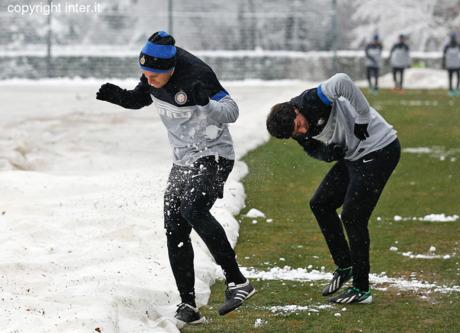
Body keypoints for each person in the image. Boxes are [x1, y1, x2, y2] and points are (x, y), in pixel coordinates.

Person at [95, 31, 255, 326]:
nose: (148, 80)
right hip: (183, 158)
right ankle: (188, 305)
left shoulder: (197, 74)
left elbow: (232, 112)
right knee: (174, 226)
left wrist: (206, 104)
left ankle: (238, 282)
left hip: (214, 154)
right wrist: (118, 96)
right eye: (144, 73)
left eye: (154, 76)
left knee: (193, 209)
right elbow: (139, 98)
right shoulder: (154, 72)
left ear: (171, 69)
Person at [266, 73, 400, 304]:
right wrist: (326, 153)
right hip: (354, 155)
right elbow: (311, 148)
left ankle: (361, 289)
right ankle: (345, 265)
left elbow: (342, 80)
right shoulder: (294, 128)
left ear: (296, 111)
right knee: (320, 204)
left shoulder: (312, 100)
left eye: (299, 125)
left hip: (379, 149)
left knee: (353, 216)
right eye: (295, 133)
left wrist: (363, 116)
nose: (302, 131)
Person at [442, 32, 460, 97]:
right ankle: (456, 90)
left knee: (450, 78)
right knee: (458, 78)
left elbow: (444, 56)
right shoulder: (459, 45)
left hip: (450, 65)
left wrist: (443, 64)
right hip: (457, 65)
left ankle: (451, 90)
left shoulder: (447, 46)